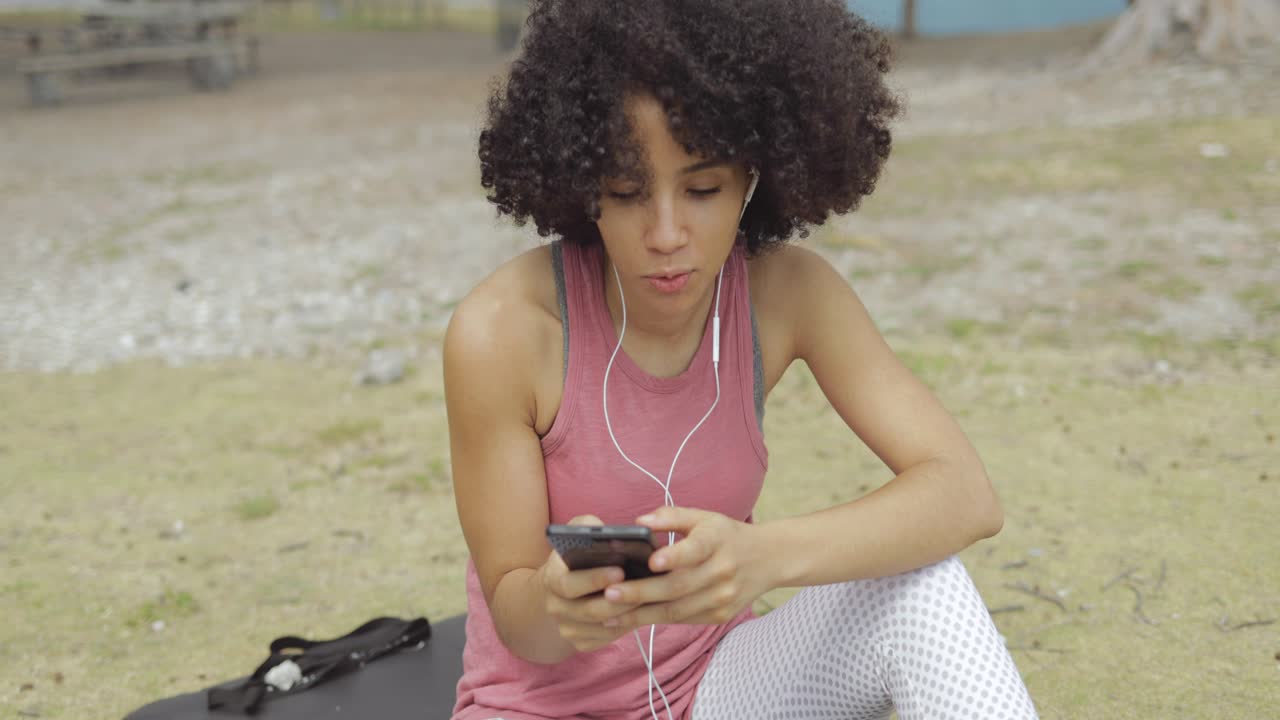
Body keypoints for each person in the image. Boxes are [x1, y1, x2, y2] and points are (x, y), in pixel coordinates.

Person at [443, 1, 1039, 718]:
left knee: (923, 586)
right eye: (627, 192)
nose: (667, 234)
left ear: (754, 176)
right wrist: (557, 602)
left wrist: (764, 557)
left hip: (717, 688)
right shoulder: (503, 332)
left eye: (703, 189)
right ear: (583, 181)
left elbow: (966, 496)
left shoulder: (786, 294)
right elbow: (518, 621)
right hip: (538, 708)